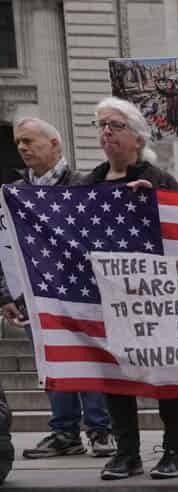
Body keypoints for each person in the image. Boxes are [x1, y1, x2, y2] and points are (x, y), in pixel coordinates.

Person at [84, 98, 178, 481]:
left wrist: (157, 202)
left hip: (156, 297)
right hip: (108, 298)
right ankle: (127, 451)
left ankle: (174, 448)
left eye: (115, 125)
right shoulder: (88, 185)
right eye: (101, 125)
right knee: (114, 376)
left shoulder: (160, 179)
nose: (106, 131)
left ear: (138, 138)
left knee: (166, 373)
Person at [2, 118, 115, 461]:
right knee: (51, 361)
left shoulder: (84, 185)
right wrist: (5, 296)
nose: (22, 148)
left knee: (89, 359)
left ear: (54, 144)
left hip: (81, 293)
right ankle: (64, 432)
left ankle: (100, 429)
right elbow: (4, 245)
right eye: (18, 142)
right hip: (34, 295)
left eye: (29, 141)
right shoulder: (12, 193)